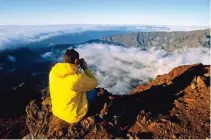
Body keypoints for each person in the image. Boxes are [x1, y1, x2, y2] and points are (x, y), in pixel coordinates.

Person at [49, 49, 104, 124]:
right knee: (93, 92)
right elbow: (94, 83)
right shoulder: (76, 78)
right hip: (73, 116)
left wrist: (76, 67)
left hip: (57, 111)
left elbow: (70, 76)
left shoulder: (54, 72)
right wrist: (85, 68)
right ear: (76, 61)